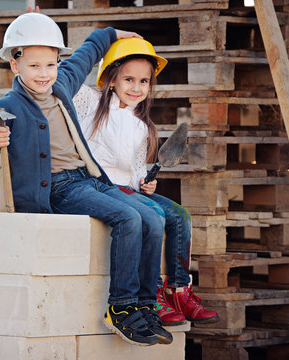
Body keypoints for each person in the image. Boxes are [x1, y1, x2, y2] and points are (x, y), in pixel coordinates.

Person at [0, 12, 173, 345]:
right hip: (58, 189)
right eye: (34, 66)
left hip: (89, 178)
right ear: (15, 66)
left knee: (153, 217)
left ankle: (146, 306)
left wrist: (113, 32)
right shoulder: (7, 105)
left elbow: (88, 53)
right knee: (128, 217)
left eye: (50, 64)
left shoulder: (61, 87)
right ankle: (120, 308)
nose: (44, 74)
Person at [73, 37, 220, 326]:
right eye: (128, 79)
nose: (136, 87)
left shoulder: (143, 127)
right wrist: (40, 41)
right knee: (151, 216)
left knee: (179, 215)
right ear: (110, 79)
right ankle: (150, 292)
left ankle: (179, 289)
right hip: (101, 188)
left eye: (144, 81)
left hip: (130, 189)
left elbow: (137, 170)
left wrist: (146, 183)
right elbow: (64, 77)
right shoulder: (89, 103)